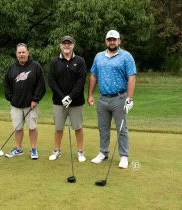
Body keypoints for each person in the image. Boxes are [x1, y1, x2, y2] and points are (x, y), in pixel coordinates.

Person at [88, 30, 136, 169]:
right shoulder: (99, 56)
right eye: (109, 39)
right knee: (103, 128)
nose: (112, 42)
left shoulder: (126, 56)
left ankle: (124, 156)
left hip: (119, 98)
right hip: (102, 98)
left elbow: (131, 77)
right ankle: (103, 152)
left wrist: (129, 98)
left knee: (122, 129)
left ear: (119, 40)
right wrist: (90, 95)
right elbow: (93, 76)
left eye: (114, 39)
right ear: (106, 41)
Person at [48, 36, 87, 162]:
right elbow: (52, 81)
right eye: (64, 44)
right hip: (59, 102)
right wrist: (62, 97)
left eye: (69, 44)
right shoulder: (54, 61)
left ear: (73, 45)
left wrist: (70, 97)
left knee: (78, 127)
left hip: (76, 102)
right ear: (60, 46)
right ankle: (57, 150)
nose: (66, 46)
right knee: (58, 127)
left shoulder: (80, 61)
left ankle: (80, 151)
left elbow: (81, 81)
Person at [4, 43, 46, 160]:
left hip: (31, 105)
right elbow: (6, 85)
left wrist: (35, 99)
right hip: (16, 105)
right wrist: (11, 98)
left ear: (27, 53)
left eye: (23, 52)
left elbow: (41, 85)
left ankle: (33, 149)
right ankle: (18, 148)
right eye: (19, 53)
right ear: (16, 54)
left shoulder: (36, 66)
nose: (22, 54)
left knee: (32, 127)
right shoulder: (11, 68)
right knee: (18, 128)